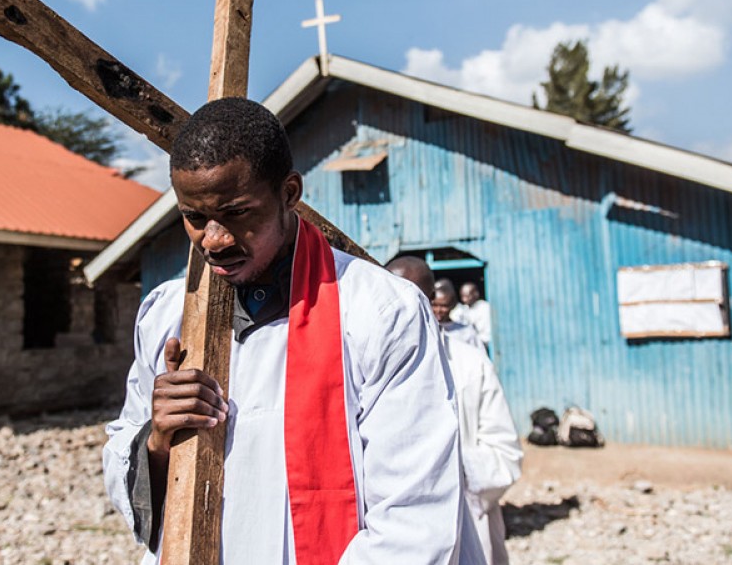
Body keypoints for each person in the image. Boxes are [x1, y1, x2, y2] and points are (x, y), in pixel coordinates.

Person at [103, 98, 485, 564]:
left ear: (289, 193)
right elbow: (125, 444)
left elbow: (413, 512)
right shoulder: (166, 313)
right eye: (195, 217)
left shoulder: (380, 312)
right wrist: (157, 439)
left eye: (237, 212)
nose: (214, 240)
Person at [387, 257, 523, 565]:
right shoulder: (359, 366)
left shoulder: (470, 364)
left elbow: (506, 455)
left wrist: (445, 468)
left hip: (468, 529)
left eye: (416, 299)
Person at [435, 279, 483, 351]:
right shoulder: (425, 330)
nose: (438, 310)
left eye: (444, 306)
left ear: (453, 306)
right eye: (434, 305)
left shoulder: (466, 332)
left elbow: (480, 357)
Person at [452, 282, 494, 349]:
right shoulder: (463, 308)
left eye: (467, 296)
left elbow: (486, 333)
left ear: (476, 294)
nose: (464, 299)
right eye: (462, 296)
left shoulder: (484, 307)